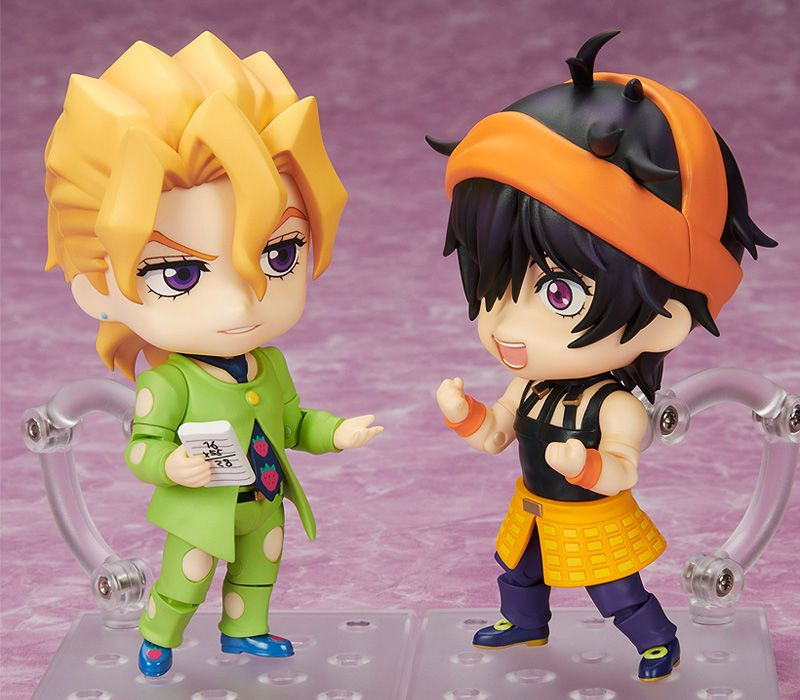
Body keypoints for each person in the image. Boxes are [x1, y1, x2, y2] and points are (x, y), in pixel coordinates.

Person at [428, 30, 774, 682]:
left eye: (557, 293)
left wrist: (582, 464)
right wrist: (462, 412)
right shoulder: (527, 385)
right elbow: (496, 434)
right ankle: (524, 624)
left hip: (592, 517)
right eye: (492, 286)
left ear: (667, 316)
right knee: (518, 573)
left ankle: (656, 641)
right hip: (534, 508)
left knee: (615, 590)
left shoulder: (614, 405)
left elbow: (621, 470)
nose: (506, 326)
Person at [44, 31, 382, 678]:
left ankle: (245, 631)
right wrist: (171, 463)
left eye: (278, 255)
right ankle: (158, 636)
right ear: (96, 288)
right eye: (177, 273)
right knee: (186, 577)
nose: (238, 304)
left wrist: (337, 433)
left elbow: (291, 422)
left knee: (260, 570)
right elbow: (141, 448)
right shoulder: (168, 384)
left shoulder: (268, 365)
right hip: (203, 510)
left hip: (264, 501)